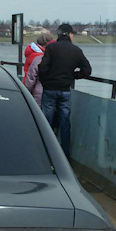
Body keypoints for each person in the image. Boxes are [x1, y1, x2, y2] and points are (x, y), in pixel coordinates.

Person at [38, 23, 91, 155]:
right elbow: (87, 71)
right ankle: (64, 155)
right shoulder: (76, 51)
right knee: (65, 123)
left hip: (50, 90)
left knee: (46, 122)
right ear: (70, 34)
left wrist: (46, 82)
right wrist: (73, 76)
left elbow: (42, 68)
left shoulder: (51, 48)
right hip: (65, 90)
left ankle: (45, 154)